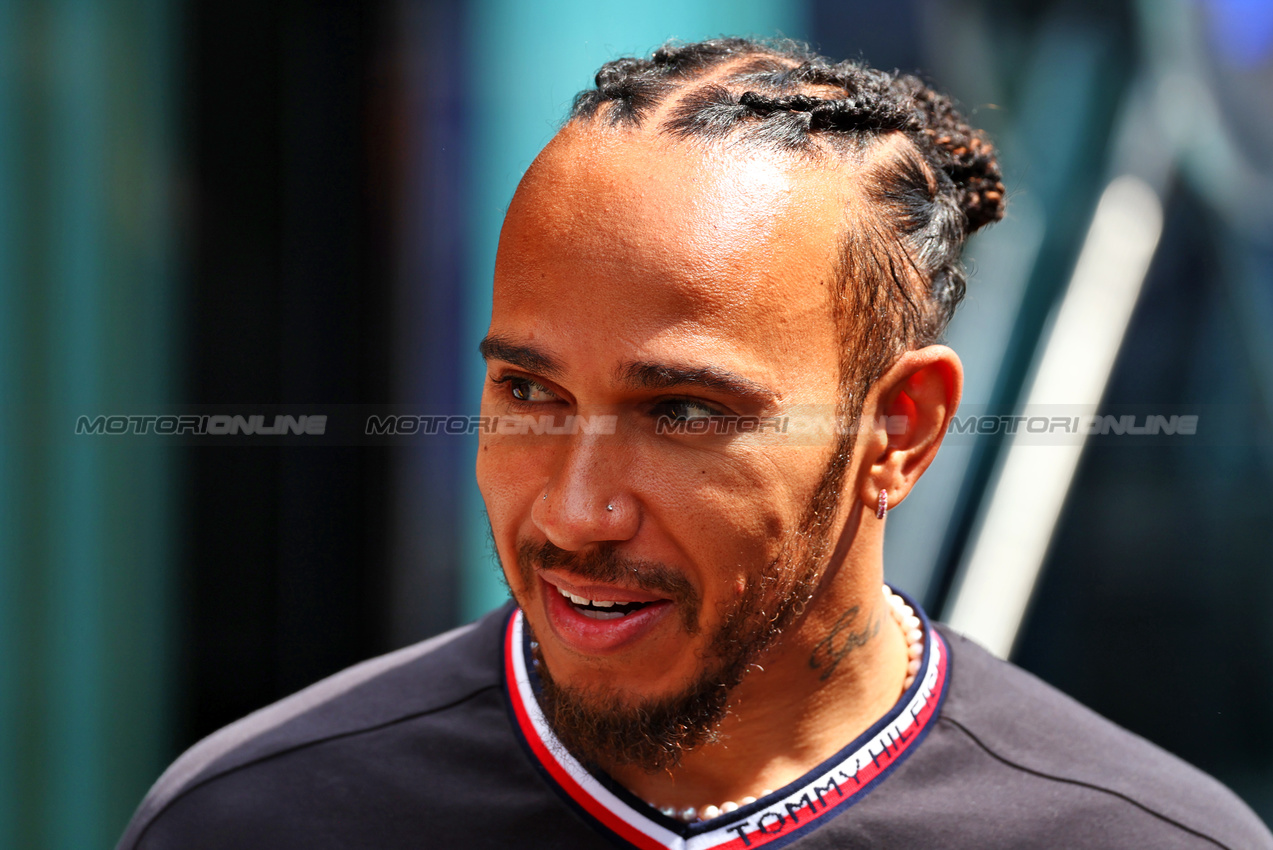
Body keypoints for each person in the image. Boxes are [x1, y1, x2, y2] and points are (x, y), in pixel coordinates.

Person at [117, 37, 1271, 849]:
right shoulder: (256, 817)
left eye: (682, 414)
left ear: (898, 428)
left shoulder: (1133, 836)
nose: (574, 512)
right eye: (529, 392)